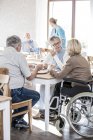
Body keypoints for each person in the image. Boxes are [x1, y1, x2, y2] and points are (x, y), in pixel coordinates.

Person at [0, 35, 43, 128]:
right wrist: (36, 68)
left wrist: (26, 66)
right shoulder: (18, 55)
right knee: (36, 95)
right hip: (14, 93)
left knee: (26, 91)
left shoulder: (1, 54)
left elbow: (12, 67)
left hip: (1, 92)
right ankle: (16, 118)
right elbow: (29, 77)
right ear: (18, 46)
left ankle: (15, 118)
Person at [50, 39, 92, 109]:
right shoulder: (83, 58)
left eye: (67, 47)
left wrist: (51, 71)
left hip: (78, 87)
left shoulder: (72, 59)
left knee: (58, 85)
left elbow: (59, 76)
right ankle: (54, 109)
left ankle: (53, 110)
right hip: (87, 87)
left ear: (70, 48)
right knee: (61, 84)